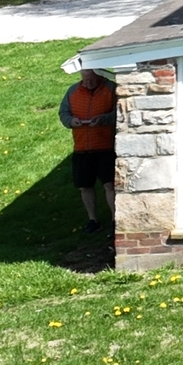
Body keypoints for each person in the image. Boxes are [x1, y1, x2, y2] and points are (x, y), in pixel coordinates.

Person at [59, 68, 119, 241]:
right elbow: (63, 113)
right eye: (85, 80)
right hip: (82, 147)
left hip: (106, 146)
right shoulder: (73, 91)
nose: (88, 83)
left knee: (110, 185)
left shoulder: (111, 89)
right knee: (85, 185)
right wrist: (71, 122)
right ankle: (92, 219)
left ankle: (116, 219)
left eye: (91, 80)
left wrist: (103, 119)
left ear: (99, 76)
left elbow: (120, 112)